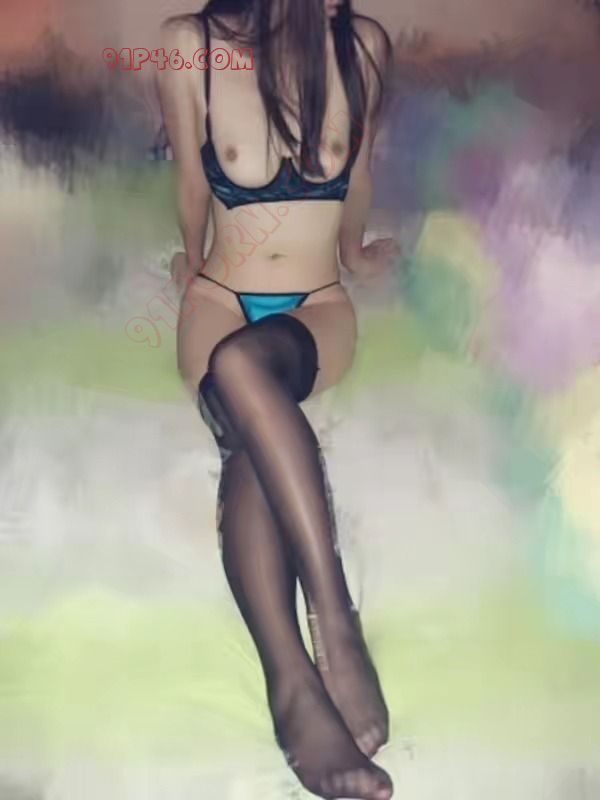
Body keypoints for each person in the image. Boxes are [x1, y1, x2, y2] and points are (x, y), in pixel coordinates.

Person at [157, 1, 399, 797]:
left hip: (318, 304)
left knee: (248, 375)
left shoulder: (362, 47)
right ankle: (298, 668)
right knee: (241, 404)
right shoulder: (189, 47)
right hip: (222, 299)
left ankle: (327, 626)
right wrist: (187, 262)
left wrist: (357, 252)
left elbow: (360, 173)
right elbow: (192, 180)